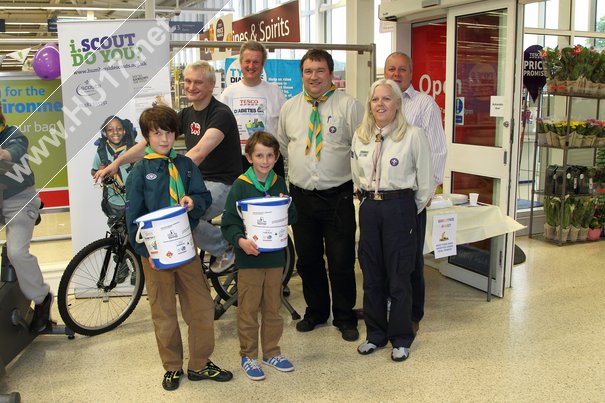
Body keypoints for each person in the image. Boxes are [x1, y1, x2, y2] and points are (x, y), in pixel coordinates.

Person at [95, 61, 242, 272]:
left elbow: (197, 154)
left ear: (211, 85)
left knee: (182, 214)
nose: (191, 86)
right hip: (199, 180)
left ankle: (227, 249)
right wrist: (116, 163)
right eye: (188, 81)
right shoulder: (186, 114)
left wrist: (164, 177)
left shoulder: (221, 114)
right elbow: (149, 143)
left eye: (198, 82)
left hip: (223, 183)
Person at [125, 105, 233, 391]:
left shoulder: (185, 165)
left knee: (200, 306)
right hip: (156, 255)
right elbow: (133, 215)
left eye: (169, 133)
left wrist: (193, 203)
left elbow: (203, 195)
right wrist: (146, 253)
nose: (164, 139)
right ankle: (172, 366)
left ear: (176, 134)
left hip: (186, 250)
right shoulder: (140, 171)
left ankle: (200, 362)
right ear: (147, 136)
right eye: (157, 133)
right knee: (163, 312)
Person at [276, 49, 363, 342]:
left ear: (331, 74)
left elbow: (361, 148)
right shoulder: (289, 108)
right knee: (308, 260)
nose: (314, 77)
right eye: (308, 71)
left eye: (320, 71)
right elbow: (284, 145)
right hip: (301, 197)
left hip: (338, 196)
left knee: (341, 260)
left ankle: (345, 315)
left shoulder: (349, 106)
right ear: (302, 74)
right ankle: (316, 311)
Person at [350, 79, 432, 361]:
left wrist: (408, 209)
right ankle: (375, 335)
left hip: (400, 208)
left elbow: (425, 183)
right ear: (370, 105)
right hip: (370, 208)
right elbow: (356, 175)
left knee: (399, 275)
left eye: (387, 99)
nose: (380, 104)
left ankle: (400, 337)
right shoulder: (361, 136)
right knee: (371, 274)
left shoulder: (413, 135)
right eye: (375, 99)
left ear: (398, 103)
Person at [221, 131, 297, 381]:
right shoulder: (241, 185)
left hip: (275, 260)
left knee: (273, 308)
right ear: (249, 157)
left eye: (270, 156)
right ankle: (249, 355)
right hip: (250, 260)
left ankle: (271, 352)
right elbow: (229, 224)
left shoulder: (279, 183)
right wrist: (240, 241)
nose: (265, 161)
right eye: (259, 156)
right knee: (249, 309)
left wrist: (287, 204)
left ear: (276, 158)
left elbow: (292, 217)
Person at [384, 52, 447, 335]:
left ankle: (412, 313)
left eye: (402, 70)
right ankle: (388, 306)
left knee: (410, 259)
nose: (396, 74)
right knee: (383, 257)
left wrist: (428, 190)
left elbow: (436, 150)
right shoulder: (378, 103)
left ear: (411, 72)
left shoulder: (424, 105)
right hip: (383, 197)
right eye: (391, 69)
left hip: (410, 197)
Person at [0, 107, 52, 332]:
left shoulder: (12, 133)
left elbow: (14, 151)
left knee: (17, 253)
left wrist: (2, 153)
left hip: (18, 200)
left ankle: (42, 299)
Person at [219, 40, 287, 177]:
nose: (251, 66)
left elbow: (286, 125)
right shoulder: (228, 93)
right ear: (240, 63)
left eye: (256, 62)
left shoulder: (275, 92)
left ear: (262, 65)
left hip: (270, 161)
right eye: (247, 61)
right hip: (239, 160)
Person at [91, 115, 136, 225]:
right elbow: (93, 171)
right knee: (116, 230)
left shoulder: (132, 149)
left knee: (134, 228)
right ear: (105, 133)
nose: (115, 132)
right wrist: (99, 172)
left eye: (119, 129)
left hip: (133, 198)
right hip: (113, 201)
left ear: (124, 131)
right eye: (110, 130)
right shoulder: (101, 153)